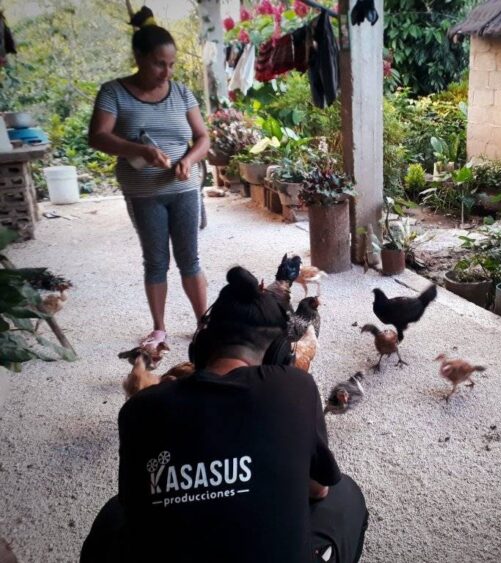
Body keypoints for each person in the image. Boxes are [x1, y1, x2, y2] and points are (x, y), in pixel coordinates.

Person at [81, 266, 369, 563]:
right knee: (344, 494)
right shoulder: (295, 387)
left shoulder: (139, 408)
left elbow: (135, 505)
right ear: (279, 356)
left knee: (115, 513)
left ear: (199, 350)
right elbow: (318, 489)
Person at [88, 6, 209, 353]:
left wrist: (188, 159)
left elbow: (203, 137)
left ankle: (203, 322)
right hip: (144, 193)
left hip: (184, 188)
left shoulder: (183, 92)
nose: (166, 72)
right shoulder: (113, 92)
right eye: (159, 63)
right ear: (139, 57)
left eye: (171, 65)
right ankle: (159, 329)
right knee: (156, 261)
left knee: (190, 259)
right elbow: (97, 136)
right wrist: (137, 147)